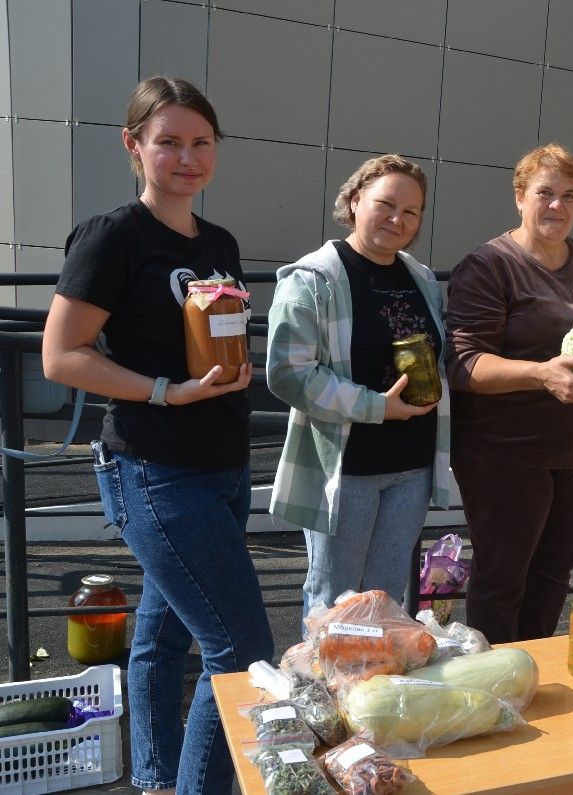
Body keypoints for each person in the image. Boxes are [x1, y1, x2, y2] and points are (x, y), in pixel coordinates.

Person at [42, 77, 271, 795]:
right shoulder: (115, 236)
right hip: (154, 467)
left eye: (201, 143)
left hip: (224, 462)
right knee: (240, 647)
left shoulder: (221, 242)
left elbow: (210, 334)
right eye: (168, 141)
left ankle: (155, 779)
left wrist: (231, 368)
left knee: (167, 632)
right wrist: (167, 390)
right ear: (133, 145)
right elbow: (61, 355)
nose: (186, 157)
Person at [444, 143, 573, 643]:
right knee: (502, 580)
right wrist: (541, 374)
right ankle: (497, 686)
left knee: (553, 578)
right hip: (506, 454)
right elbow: (465, 363)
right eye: (545, 193)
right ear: (520, 196)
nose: (557, 206)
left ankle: (536, 675)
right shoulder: (489, 265)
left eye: (570, 196)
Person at [267, 155, 450, 616]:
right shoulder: (311, 279)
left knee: (387, 604)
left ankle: (373, 689)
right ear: (354, 201)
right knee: (336, 605)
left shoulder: (422, 278)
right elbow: (288, 373)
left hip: (412, 467)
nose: (397, 219)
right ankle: (321, 690)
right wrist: (375, 406)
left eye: (411, 211)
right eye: (385, 204)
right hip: (347, 471)